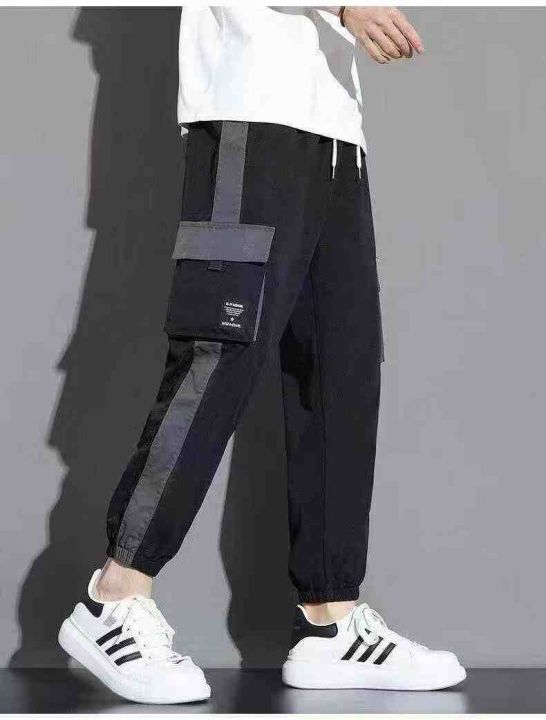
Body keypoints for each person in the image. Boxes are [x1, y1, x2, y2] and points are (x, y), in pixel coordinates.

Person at [58, 6, 466, 704]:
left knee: (339, 372)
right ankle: (114, 595)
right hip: (250, 109)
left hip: (334, 128)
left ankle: (333, 621)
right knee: (219, 353)